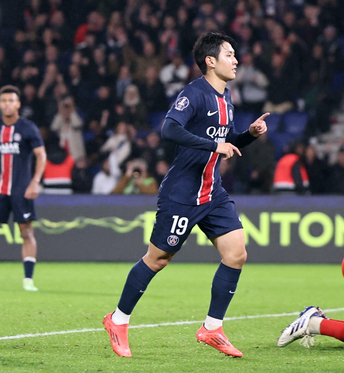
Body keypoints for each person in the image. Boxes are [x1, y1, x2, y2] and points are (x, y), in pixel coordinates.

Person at [102, 32, 269, 358]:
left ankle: (212, 328)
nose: (235, 60)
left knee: (236, 254)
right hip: (182, 194)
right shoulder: (193, 94)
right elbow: (170, 129)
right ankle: (118, 320)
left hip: (213, 193)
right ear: (210, 60)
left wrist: (247, 136)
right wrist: (213, 145)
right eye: (229, 54)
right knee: (158, 259)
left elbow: (225, 141)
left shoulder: (227, 96)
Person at [0, 85, 47, 291]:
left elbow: (41, 155)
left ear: (18, 104)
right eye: (3, 101)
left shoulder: (27, 127)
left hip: (21, 189)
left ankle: (28, 280)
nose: (7, 104)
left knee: (26, 232)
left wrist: (35, 181)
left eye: (11, 100)